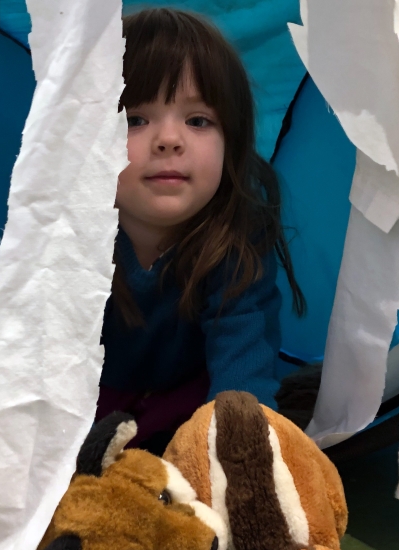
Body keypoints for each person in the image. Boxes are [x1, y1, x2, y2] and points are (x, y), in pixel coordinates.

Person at [98, 8, 304, 453]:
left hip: (186, 409)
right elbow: (28, 358)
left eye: (198, 121)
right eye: (135, 119)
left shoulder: (237, 240)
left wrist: (238, 455)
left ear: (230, 141)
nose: (169, 139)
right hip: (82, 407)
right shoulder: (64, 237)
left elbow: (242, 374)